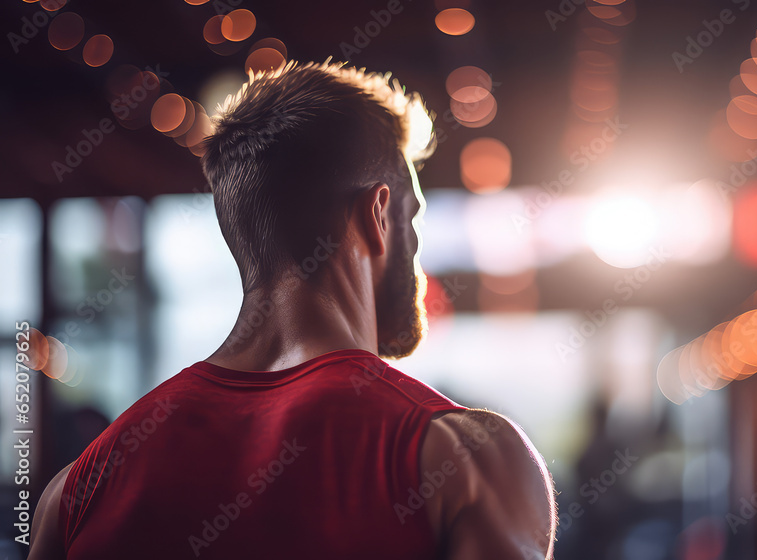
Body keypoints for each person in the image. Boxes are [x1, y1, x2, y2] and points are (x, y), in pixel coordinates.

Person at [28, 59, 556, 559]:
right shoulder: (464, 457)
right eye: (410, 219)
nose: (416, 254)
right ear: (377, 215)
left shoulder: (78, 488)